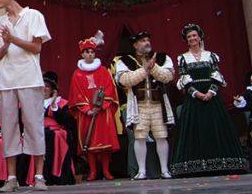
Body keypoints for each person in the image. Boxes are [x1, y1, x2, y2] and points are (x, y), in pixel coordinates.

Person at [0, 0, 51, 192]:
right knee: (8, 127)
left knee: (34, 125)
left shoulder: (33, 16)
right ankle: (12, 177)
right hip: (6, 81)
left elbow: (36, 47)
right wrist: (6, 43)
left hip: (30, 78)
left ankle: (39, 176)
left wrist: (12, 38)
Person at [114, 31, 175, 179]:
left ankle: (164, 170)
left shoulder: (161, 58)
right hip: (139, 105)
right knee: (140, 137)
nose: (146, 42)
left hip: (158, 104)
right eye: (142, 41)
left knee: (161, 136)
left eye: (148, 40)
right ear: (135, 45)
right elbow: (125, 80)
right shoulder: (125, 61)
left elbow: (168, 76)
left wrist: (153, 67)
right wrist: (145, 69)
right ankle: (141, 170)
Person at [69, 36, 120, 181]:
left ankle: (106, 171)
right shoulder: (77, 74)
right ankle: (92, 171)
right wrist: (87, 109)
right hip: (88, 114)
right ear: (82, 54)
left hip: (102, 112)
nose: (90, 54)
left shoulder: (103, 71)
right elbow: (76, 94)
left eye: (92, 52)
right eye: (87, 52)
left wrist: (102, 106)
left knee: (105, 144)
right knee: (89, 142)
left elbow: (109, 89)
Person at [40, 71, 76, 185]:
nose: (44, 89)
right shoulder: (33, 103)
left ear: (52, 90)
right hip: (38, 131)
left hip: (56, 131)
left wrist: (54, 105)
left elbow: (68, 122)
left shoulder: (62, 103)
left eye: (47, 86)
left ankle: (56, 175)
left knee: (54, 136)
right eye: (42, 86)